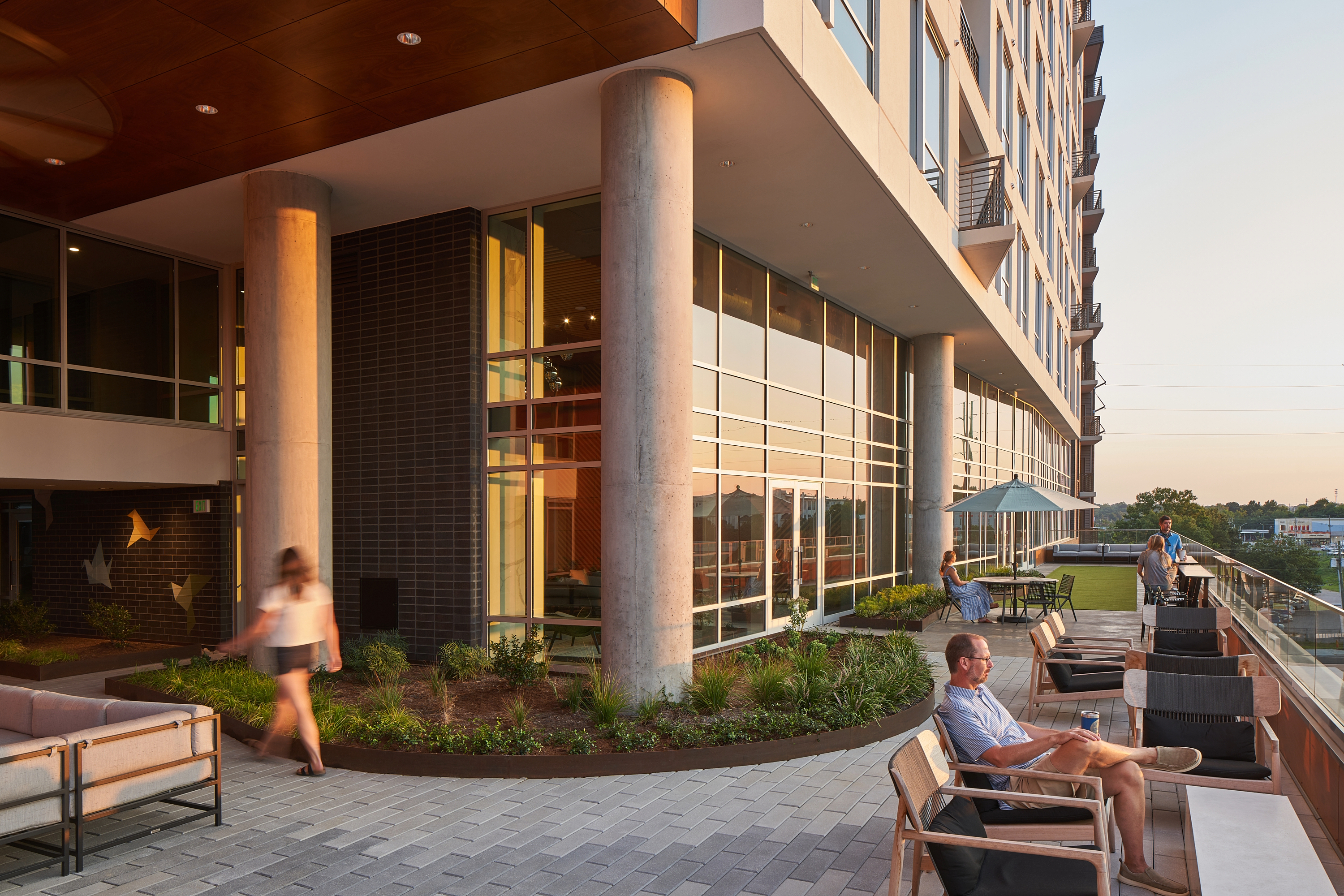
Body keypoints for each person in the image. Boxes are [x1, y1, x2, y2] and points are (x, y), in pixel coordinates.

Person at [936, 632, 1200, 896]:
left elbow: (1015, 728)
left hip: (1040, 771)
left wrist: (1060, 739)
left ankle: (1136, 867)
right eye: (986, 658)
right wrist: (1057, 738)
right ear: (964, 663)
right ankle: (1150, 755)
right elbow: (1000, 758)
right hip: (1019, 788)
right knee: (1082, 745)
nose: (991, 664)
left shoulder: (979, 691)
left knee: (1127, 772)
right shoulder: (958, 709)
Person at [219, 547, 341, 777]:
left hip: (287, 656)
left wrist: (233, 643)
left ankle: (316, 762)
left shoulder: (276, 592)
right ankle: (266, 748)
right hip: (307, 654)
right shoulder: (318, 590)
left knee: (302, 708)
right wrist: (334, 653)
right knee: (285, 704)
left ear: (281, 568)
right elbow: (329, 624)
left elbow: (259, 627)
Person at [939, 550, 999, 623]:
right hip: (958, 590)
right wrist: (967, 582)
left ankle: (982, 617)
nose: (955, 558)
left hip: (954, 590)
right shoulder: (950, 569)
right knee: (979, 585)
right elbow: (958, 583)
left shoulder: (944, 568)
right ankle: (989, 603)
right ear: (951, 558)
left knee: (976, 596)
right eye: (955, 556)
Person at [1138, 534, 1176, 600]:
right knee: (1174, 569)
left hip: (1150, 585)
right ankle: (1163, 601)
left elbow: (1139, 571)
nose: (1147, 542)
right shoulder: (1167, 556)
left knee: (1150, 587)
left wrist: (1144, 577)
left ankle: (1153, 600)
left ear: (1153, 543)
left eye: (1149, 541)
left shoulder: (1144, 554)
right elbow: (1167, 570)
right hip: (1166, 585)